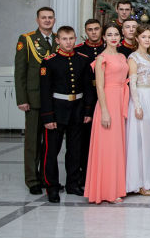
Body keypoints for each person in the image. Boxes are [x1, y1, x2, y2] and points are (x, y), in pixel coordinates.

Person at [39, 26, 93, 203]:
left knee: (74, 150)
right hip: (57, 110)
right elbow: (45, 91)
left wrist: (87, 110)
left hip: (77, 109)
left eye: (71, 38)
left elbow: (87, 88)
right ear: (57, 41)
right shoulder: (50, 61)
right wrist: (48, 116)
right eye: (64, 39)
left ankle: (72, 183)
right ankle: (52, 186)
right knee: (51, 151)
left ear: (75, 39)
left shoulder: (83, 59)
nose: (68, 42)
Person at [15, 6, 58, 195]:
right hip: (33, 99)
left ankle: (44, 178)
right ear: (37, 20)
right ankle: (32, 180)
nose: (47, 20)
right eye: (43, 17)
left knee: (49, 142)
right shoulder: (27, 39)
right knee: (32, 141)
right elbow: (20, 71)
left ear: (54, 20)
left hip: (53, 99)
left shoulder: (58, 39)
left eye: (50, 17)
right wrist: (22, 98)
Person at [85, 23, 130, 204]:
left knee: (118, 146)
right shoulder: (101, 58)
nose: (113, 37)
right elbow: (100, 87)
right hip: (108, 101)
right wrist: (104, 111)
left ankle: (117, 187)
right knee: (108, 147)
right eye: (109, 34)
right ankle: (107, 191)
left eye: (116, 34)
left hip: (121, 99)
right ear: (103, 37)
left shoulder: (122, 56)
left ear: (120, 37)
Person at [126, 25, 150, 196]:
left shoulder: (149, 57)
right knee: (139, 140)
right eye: (144, 37)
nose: (147, 40)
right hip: (140, 96)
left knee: (147, 139)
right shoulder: (133, 57)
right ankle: (137, 182)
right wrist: (137, 105)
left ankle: (147, 179)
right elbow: (132, 82)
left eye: (149, 37)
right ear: (137, 38)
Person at [75, 18, 105, 186]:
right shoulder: (79, 50)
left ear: (101, 30)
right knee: (84, 138)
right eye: (90, 29)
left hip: (105, 94)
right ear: (86, 31)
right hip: (86, 98)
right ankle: (84, 173)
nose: (93, 32)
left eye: (96, 29)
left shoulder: (107, 48)